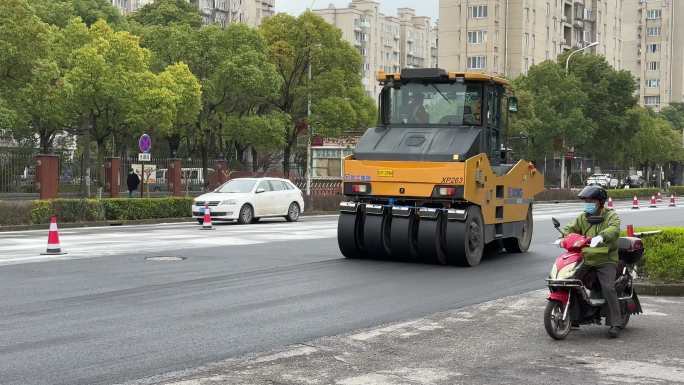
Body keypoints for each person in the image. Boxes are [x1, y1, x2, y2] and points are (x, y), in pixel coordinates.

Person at [562, 185, 623, 338]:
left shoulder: (611, 215)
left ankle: (616, 322)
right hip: (587, 259)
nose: (588, 203)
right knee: (569, 281)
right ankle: (575, 316)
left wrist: (601, 236)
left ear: (600, 202)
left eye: (591, 200)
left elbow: (614, 229)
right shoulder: (583, 217)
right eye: (586, 201)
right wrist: (564, 237)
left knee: (608, 287)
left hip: (606, 259)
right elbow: (570, 228)